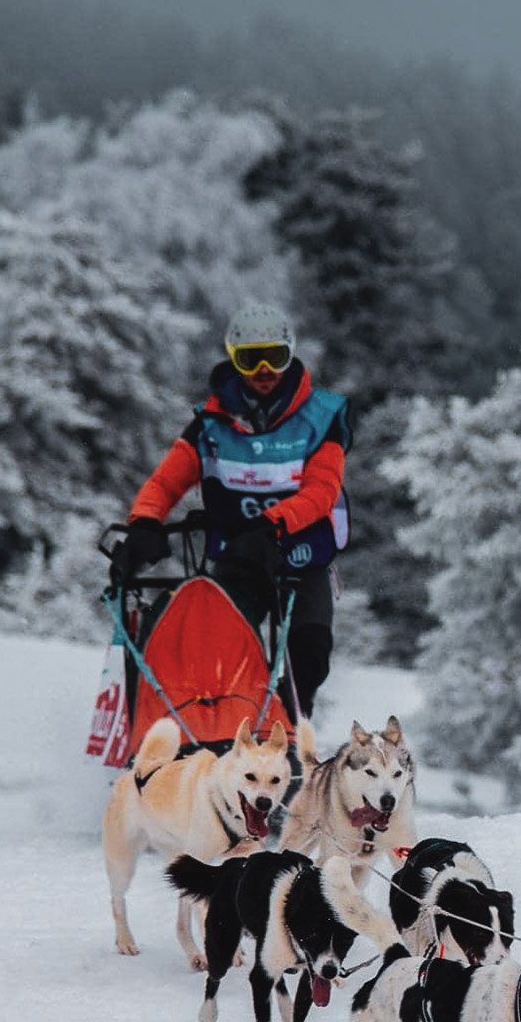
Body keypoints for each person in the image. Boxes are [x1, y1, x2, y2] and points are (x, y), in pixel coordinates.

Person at [113, 301, 351, 717]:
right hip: (240, 558)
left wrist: (272, 525)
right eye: (250, 359)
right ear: (234, 360)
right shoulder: (211, 424)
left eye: (274, 357)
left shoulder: (323, 417)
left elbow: (322, 491)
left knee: (308, 654)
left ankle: (289, 731)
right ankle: (217, 736)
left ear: (290, 354)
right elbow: (167, 481)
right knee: (214, 649)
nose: (263, 371)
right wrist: (144, 522)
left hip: (302, 555)